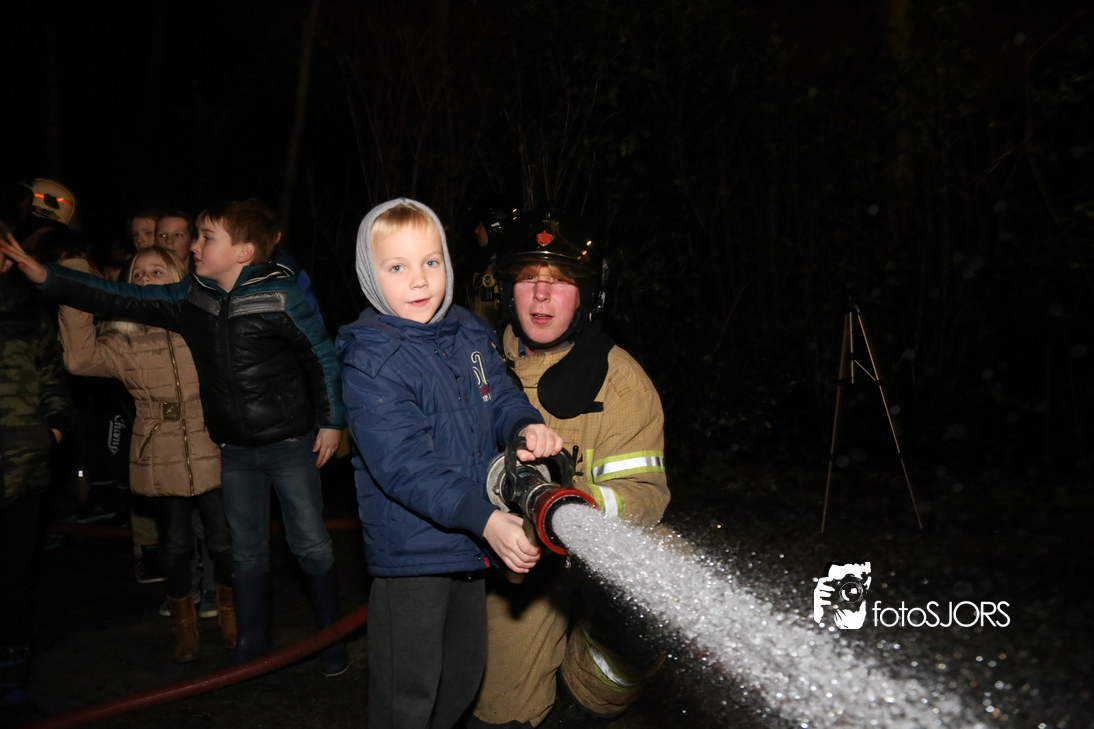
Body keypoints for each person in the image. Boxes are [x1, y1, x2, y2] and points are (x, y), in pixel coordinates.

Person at [0, 198, 349, 676]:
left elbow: (320, 356)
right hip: (234, 449)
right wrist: (48, 276)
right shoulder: (193, 298)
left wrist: (331, 421)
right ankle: (253, 640)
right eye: (197, 236)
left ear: (244, 252)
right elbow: (117, 297)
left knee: (309, 543)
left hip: (289, 445)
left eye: (206, 238)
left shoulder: (280, 295)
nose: (194, 246)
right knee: (246, 550)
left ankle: (331, 637)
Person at [336, 198, 564, 729]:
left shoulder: (469, 333)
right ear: (370, 276)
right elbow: (404, 465)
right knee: (408, 694)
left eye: (431, 261)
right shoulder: (372, 359)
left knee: (463, 674)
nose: (419, 280)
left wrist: (524, 425)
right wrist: (487, 520)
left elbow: (500, 395)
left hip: (468, 540)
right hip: (413, 554)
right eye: (397, 267)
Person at [469, 208, 670, 729]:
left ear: (587, 295)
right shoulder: (474, 364)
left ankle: (583, 698)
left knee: (662, 578)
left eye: (559, 281)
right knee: (503, 714)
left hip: (600, 557)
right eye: (527, 278)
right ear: (505, 289)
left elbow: (643, 493)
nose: (541, 295)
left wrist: (580, 507)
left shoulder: (621, 385)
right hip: (516, 561)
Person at [56, 246, 233, 663]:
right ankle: (183, 624)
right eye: (137, 274)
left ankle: (230, 611)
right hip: (159, 446)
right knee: (174, 544)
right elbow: (79, 359)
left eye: (157, 271)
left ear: (178, 278)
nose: (146, 279)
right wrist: (75, 282)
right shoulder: (121, 339)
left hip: (211, 439)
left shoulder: (202, 323)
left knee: (224, 540)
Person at [0, 219, 74, 725]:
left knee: (12, 585)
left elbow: (53, 379)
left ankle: (10, 690)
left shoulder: (30, 313)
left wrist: (54, 431)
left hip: (20, 469)